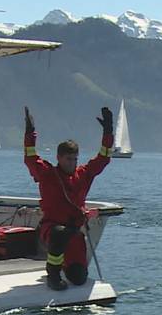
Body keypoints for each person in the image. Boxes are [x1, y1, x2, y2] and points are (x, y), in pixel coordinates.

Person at [23, 105, 114, 291]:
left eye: (74, 159)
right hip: (52, 229)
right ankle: (53, 274)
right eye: (68, 159)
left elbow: (103, 158)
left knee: (79, 278)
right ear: (59, 158)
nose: (72, 163)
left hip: (73, 234)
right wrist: (30, 133)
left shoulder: (83, 174)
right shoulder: (48, 174)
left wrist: (108, 131)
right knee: (58, 232)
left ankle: (65, 265)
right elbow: (30, 157)